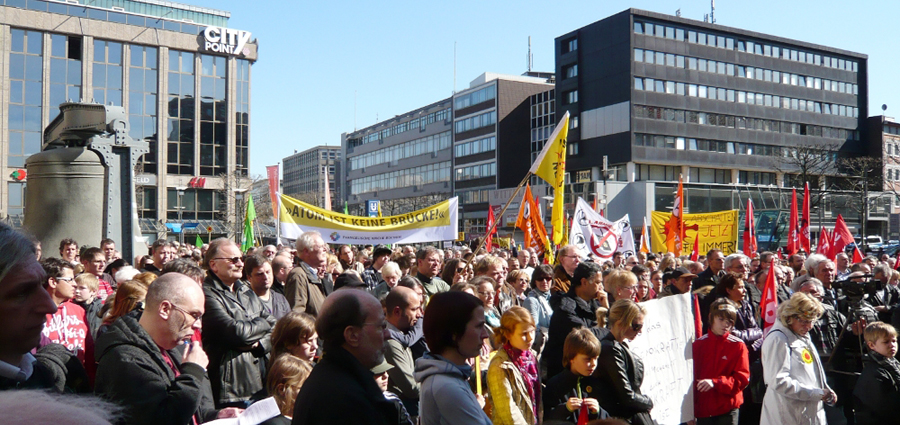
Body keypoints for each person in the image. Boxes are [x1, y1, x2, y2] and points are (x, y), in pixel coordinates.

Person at [93, 272, 240, 424]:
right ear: (165, 309)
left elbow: (184, 410)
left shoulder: (171, 345)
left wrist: (214, 416)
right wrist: (192, 373)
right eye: (194, 315)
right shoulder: (125, 360)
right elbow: (163, 420)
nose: (198, 324)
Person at [291, 289, 398, 425]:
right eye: (382, 326)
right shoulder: (343, 399)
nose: (387, 334)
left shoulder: (336, 380)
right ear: (352, 335)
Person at [201, 238, 276, 408]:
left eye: (241, 258)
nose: (240, 264)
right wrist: (262, 324)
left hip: (259, 380)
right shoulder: (207, 294)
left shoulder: (244, 289)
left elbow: (276, 324)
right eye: (233, 260)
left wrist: (260, 344)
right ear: (214, 265)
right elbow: (237, 333)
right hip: (231, 389)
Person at [414, 291, 492, 425]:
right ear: (454, 333)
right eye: (479, 326)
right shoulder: (447, 387)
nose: (485, 335)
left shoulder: (450, 378)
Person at [760, 292, 833, 425]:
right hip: (788, 413)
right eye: (805, 321)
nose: (809, 327)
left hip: (808, 412)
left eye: (812, 322)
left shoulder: (801, 335)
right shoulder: (778, 339)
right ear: (790, 317)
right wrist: (817, 393)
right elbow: (779, 381)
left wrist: (825, 389)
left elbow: (812, 371)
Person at [593, 299, 653, 425]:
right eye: (637, 326)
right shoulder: (611, 348)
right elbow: (627, 396)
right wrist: (648, 402)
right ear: (621, 323)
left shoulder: (616, 346)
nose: (640, 331)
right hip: (620, 417)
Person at [545, 262, 607, 379]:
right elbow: (586, 335)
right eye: (598, 282)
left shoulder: (596, 304)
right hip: (565, 378)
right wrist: (610, 329)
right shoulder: (565, 308)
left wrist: (606, 309)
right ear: (584, 282)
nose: (601, 287)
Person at [693, 298, 750, 425]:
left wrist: (716, 383)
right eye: (721, 319)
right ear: (710, 318)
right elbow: (690, 380)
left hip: (727, 410)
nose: (725, 325)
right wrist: (689, 411)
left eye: (730, 322)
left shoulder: (738, 345)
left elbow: (742, 379)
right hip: (704, 411)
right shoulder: (698, 345)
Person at [487, 306, 540, 425]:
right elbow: (508, 412)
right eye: (524, 334)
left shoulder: (531, 357)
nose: (530, 338)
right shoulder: (500, 366)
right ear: (508, 334)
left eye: (532, 331)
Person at [40, 258, 93, 374]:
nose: (75, 284)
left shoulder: (79, 311)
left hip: (78, 383)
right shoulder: (35, 313)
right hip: (47, 382)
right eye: (69, 280)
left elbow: (89, 351)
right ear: (53, 282)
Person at [543, 328, 604, 423]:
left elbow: (610, 417)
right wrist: (565, 409)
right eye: (588, 359)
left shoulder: (596, 382)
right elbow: (546, 418)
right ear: (571, 358)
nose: (593, 364)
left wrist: (598, 412)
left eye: (596, 358)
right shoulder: (556, 385)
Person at [384, 286, 425, 417]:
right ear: (397, 311)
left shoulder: (402, 334)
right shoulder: (390, 343)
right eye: (413, 309)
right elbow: (411, 388)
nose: (419, 314)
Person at [853, 321, 900, 425]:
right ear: (871, 345)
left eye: (894, 341)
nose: (892, 345)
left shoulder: (894, 364)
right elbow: (884, 407)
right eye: (886, 342)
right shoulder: (874, 373)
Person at [284, 231, 333, 317]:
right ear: (306, 251)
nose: (325, 249)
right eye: (321, 246)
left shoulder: (312, 274)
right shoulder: (298, 275)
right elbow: (296, 316)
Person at [261, 354, 312, 425]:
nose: (309, 392)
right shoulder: (275, 423)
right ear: (282, 389)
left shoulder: (302, 417)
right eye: (303, 388)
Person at [244, 255, 290, 320]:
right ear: (249, 278)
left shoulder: (280, 299)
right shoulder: (244, 301)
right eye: (260, 274)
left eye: (268, 272)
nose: (265, 277)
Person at [522, 264, 554, 355]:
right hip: (541, 350)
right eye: (540, 279)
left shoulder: (553, 298)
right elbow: (533, 329)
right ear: (535, 281)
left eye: (547, 278)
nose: (544, 281)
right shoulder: (531, 301)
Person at [73, 273, 103, 338]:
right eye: (75, 287)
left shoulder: (101, 311)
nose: (77, 291)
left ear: (94, 292)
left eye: (82, 288)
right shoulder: (71, 308)